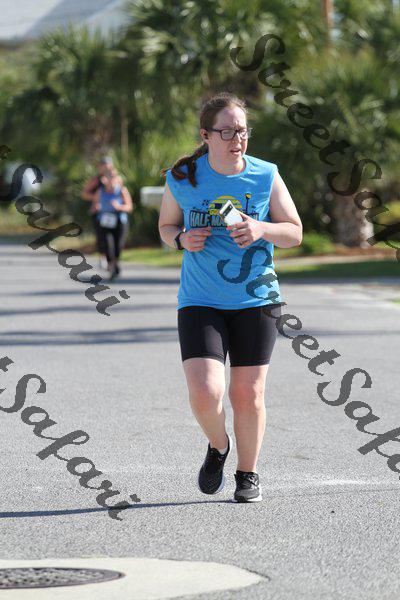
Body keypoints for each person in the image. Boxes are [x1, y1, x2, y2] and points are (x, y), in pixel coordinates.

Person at [159, 92, 302, 503]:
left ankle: (247, 473)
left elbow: (294, 232)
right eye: (227, 131)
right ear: (206, 135)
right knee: (206, 391)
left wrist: (261, 228)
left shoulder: (265, 175)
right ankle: (218, 445)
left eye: (242, 130)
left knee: (248, 394)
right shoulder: (182, 177)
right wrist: (182, 239)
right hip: (200, 299)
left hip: (256, 299)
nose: (237, 139)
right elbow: (166, 226)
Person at [93, 165, 133, 279]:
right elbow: (95, 204)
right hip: (105, 222)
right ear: (104, 179)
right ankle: (111, 267)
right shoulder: (100, 191)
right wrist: (96, 207)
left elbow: (129, 207)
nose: (110, 179)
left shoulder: (122, 191)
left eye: (112, 177)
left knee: (118, 246)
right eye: (108, 177)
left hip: (119, 221)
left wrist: (119, 207)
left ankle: (115, 263)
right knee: (107, 245)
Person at [81, 156, 113, 270]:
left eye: (107, 166)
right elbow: (84, 194)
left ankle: (112, 259)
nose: (105, 168)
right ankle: (103, 256)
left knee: (113, 236)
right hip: (99, 212)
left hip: (112, 212)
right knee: (101, 236)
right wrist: (95, 197)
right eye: (103, 166)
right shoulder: (96, 180)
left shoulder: (115, 178)